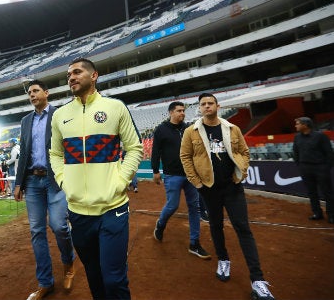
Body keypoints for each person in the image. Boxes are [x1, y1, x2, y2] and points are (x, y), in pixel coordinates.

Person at [50, 58, 143, 300]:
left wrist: (120, 182)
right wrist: (63, 182)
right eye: (69, 73)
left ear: (94, 76)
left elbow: (134, 148)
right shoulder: (60, 115)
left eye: (77, 72)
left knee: (113, 279)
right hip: (78, 213)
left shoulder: (115, 107)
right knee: (94, 275)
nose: (71, 77)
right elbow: (55, 154)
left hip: (113, 209)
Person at [180, 93, 275, 300]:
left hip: (233, 188)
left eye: (210, 103)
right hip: (208, 189)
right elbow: (185, 157)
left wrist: (241, 171)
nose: (207, 106)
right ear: (199, 108)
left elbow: (245, 151)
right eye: (203, 104)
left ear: (217, 106)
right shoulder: (191, 132)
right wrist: (197, 183)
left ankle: (258, 280)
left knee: (243, 229)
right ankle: (223, 260)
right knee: (215, 226)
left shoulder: (233, 128)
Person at [13, 80, 76, 300]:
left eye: (36, 91)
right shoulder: (25, 121)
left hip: (55, 180)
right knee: (36, 231)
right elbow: (24, 153)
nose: (32, 95)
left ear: (46, 93)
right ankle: (45, 282)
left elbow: (71, 146)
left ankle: (68, 264)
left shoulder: (61, 114)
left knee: (59, 226)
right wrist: (18, 183)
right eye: (29, 92)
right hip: (32, 182)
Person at [151, 101, 211, 260]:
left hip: (191, 174)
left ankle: (194, 243)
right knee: (172, 205)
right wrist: (156, 170)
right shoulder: (161, 130)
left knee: (195, 208)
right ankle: (161, 224)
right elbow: (155, 150)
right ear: (171, 112)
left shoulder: (188, 129)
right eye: (179, 111)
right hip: (172, 175)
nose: (182, 113)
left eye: (183, 110)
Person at [292, 116, 334, 223]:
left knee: (327, 192)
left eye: (298, 124)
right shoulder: (297, 137)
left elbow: (329, 153)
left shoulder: (320, 136)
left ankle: (331, 215)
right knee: (312, 192)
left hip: (320, 168)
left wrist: (326, 168)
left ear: (305, 125)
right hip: (305, 168)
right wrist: (300, 165)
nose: (295, 126)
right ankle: (317, 213)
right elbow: (295, 153)